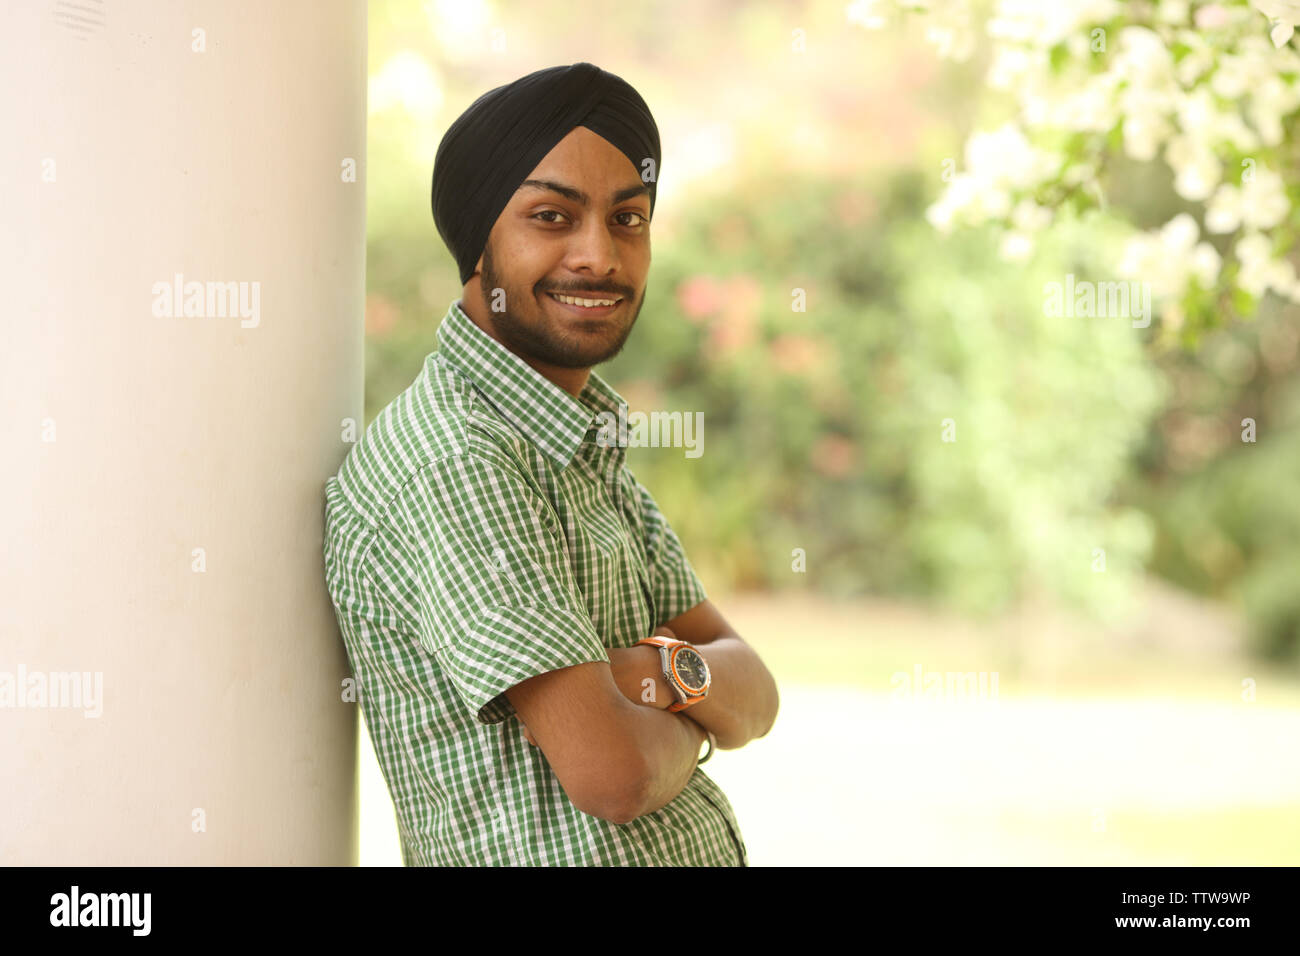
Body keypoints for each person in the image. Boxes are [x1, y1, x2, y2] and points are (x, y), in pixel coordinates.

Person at [322, 62, 779, 866]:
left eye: (628, 219)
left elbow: (759, 697)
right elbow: (615, 776)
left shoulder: (577, 443)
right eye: (551, 215)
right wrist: (692, 698)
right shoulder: (458, 460)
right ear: (477, 241)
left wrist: (650, 675)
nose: (599, 256)